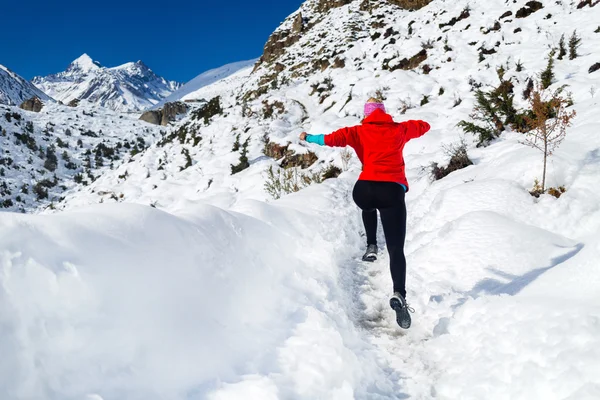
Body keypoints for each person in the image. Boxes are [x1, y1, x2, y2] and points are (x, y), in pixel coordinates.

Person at [300, 97, 430, 329]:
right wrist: (407, 129)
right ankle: (399, 293)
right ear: (384, 113)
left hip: (365, 188)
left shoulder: (357, 131)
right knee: (395, 248)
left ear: (367, 115)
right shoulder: (399, 129)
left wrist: (307, 137)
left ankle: (371, 244)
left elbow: (329, 139)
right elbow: (424, 125)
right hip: (392, 190)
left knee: (368, 206)